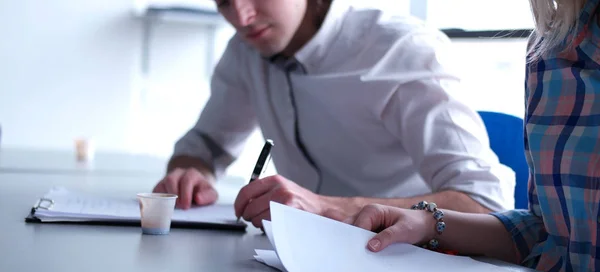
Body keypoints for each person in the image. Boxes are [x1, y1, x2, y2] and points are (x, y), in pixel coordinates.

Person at [153, 0, 516, 228]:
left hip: (408, 265)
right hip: (298, 262)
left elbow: (483, 203)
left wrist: (328, 208)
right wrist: (192, 172)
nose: (241, 16)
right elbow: (205, 143)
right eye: (223, 1)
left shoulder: (400, 49)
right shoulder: (245, 51)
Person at [352, 0, 599, 272]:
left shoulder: (398, 48)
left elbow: (482, 196)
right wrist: (429, 223)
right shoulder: (552, 52)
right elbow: (552, 234)